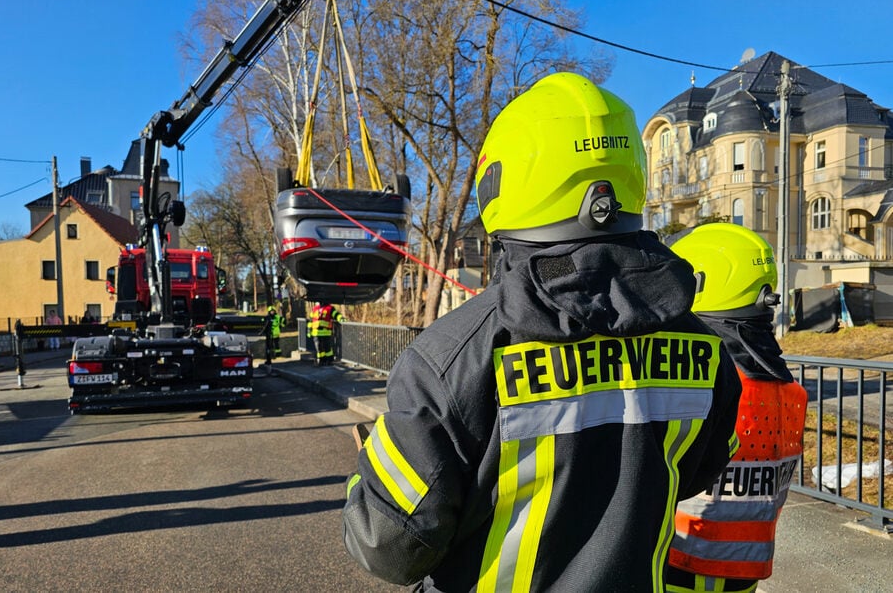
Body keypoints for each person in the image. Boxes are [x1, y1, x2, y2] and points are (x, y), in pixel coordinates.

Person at [341, 72, 742, 591]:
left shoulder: (448, 359)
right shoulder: (706, 346)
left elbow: (389, 546)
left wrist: (366, 478)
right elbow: (695, 472)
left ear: (501, 186)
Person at [665, 223, 807, 593]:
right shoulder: (788, 389)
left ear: (697, 284)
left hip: (680, 562)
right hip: (745, 569)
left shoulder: (700, 384)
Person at [307, 302, 343, 366]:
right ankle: (321, 360)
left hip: (326, 332)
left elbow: (336, 314)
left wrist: (340, 318)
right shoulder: (315, 308)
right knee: (319, 348)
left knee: (327, 348)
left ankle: (329, 360)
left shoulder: (330, 308)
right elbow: (310, 320)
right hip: (316, 333)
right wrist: (309, 330)